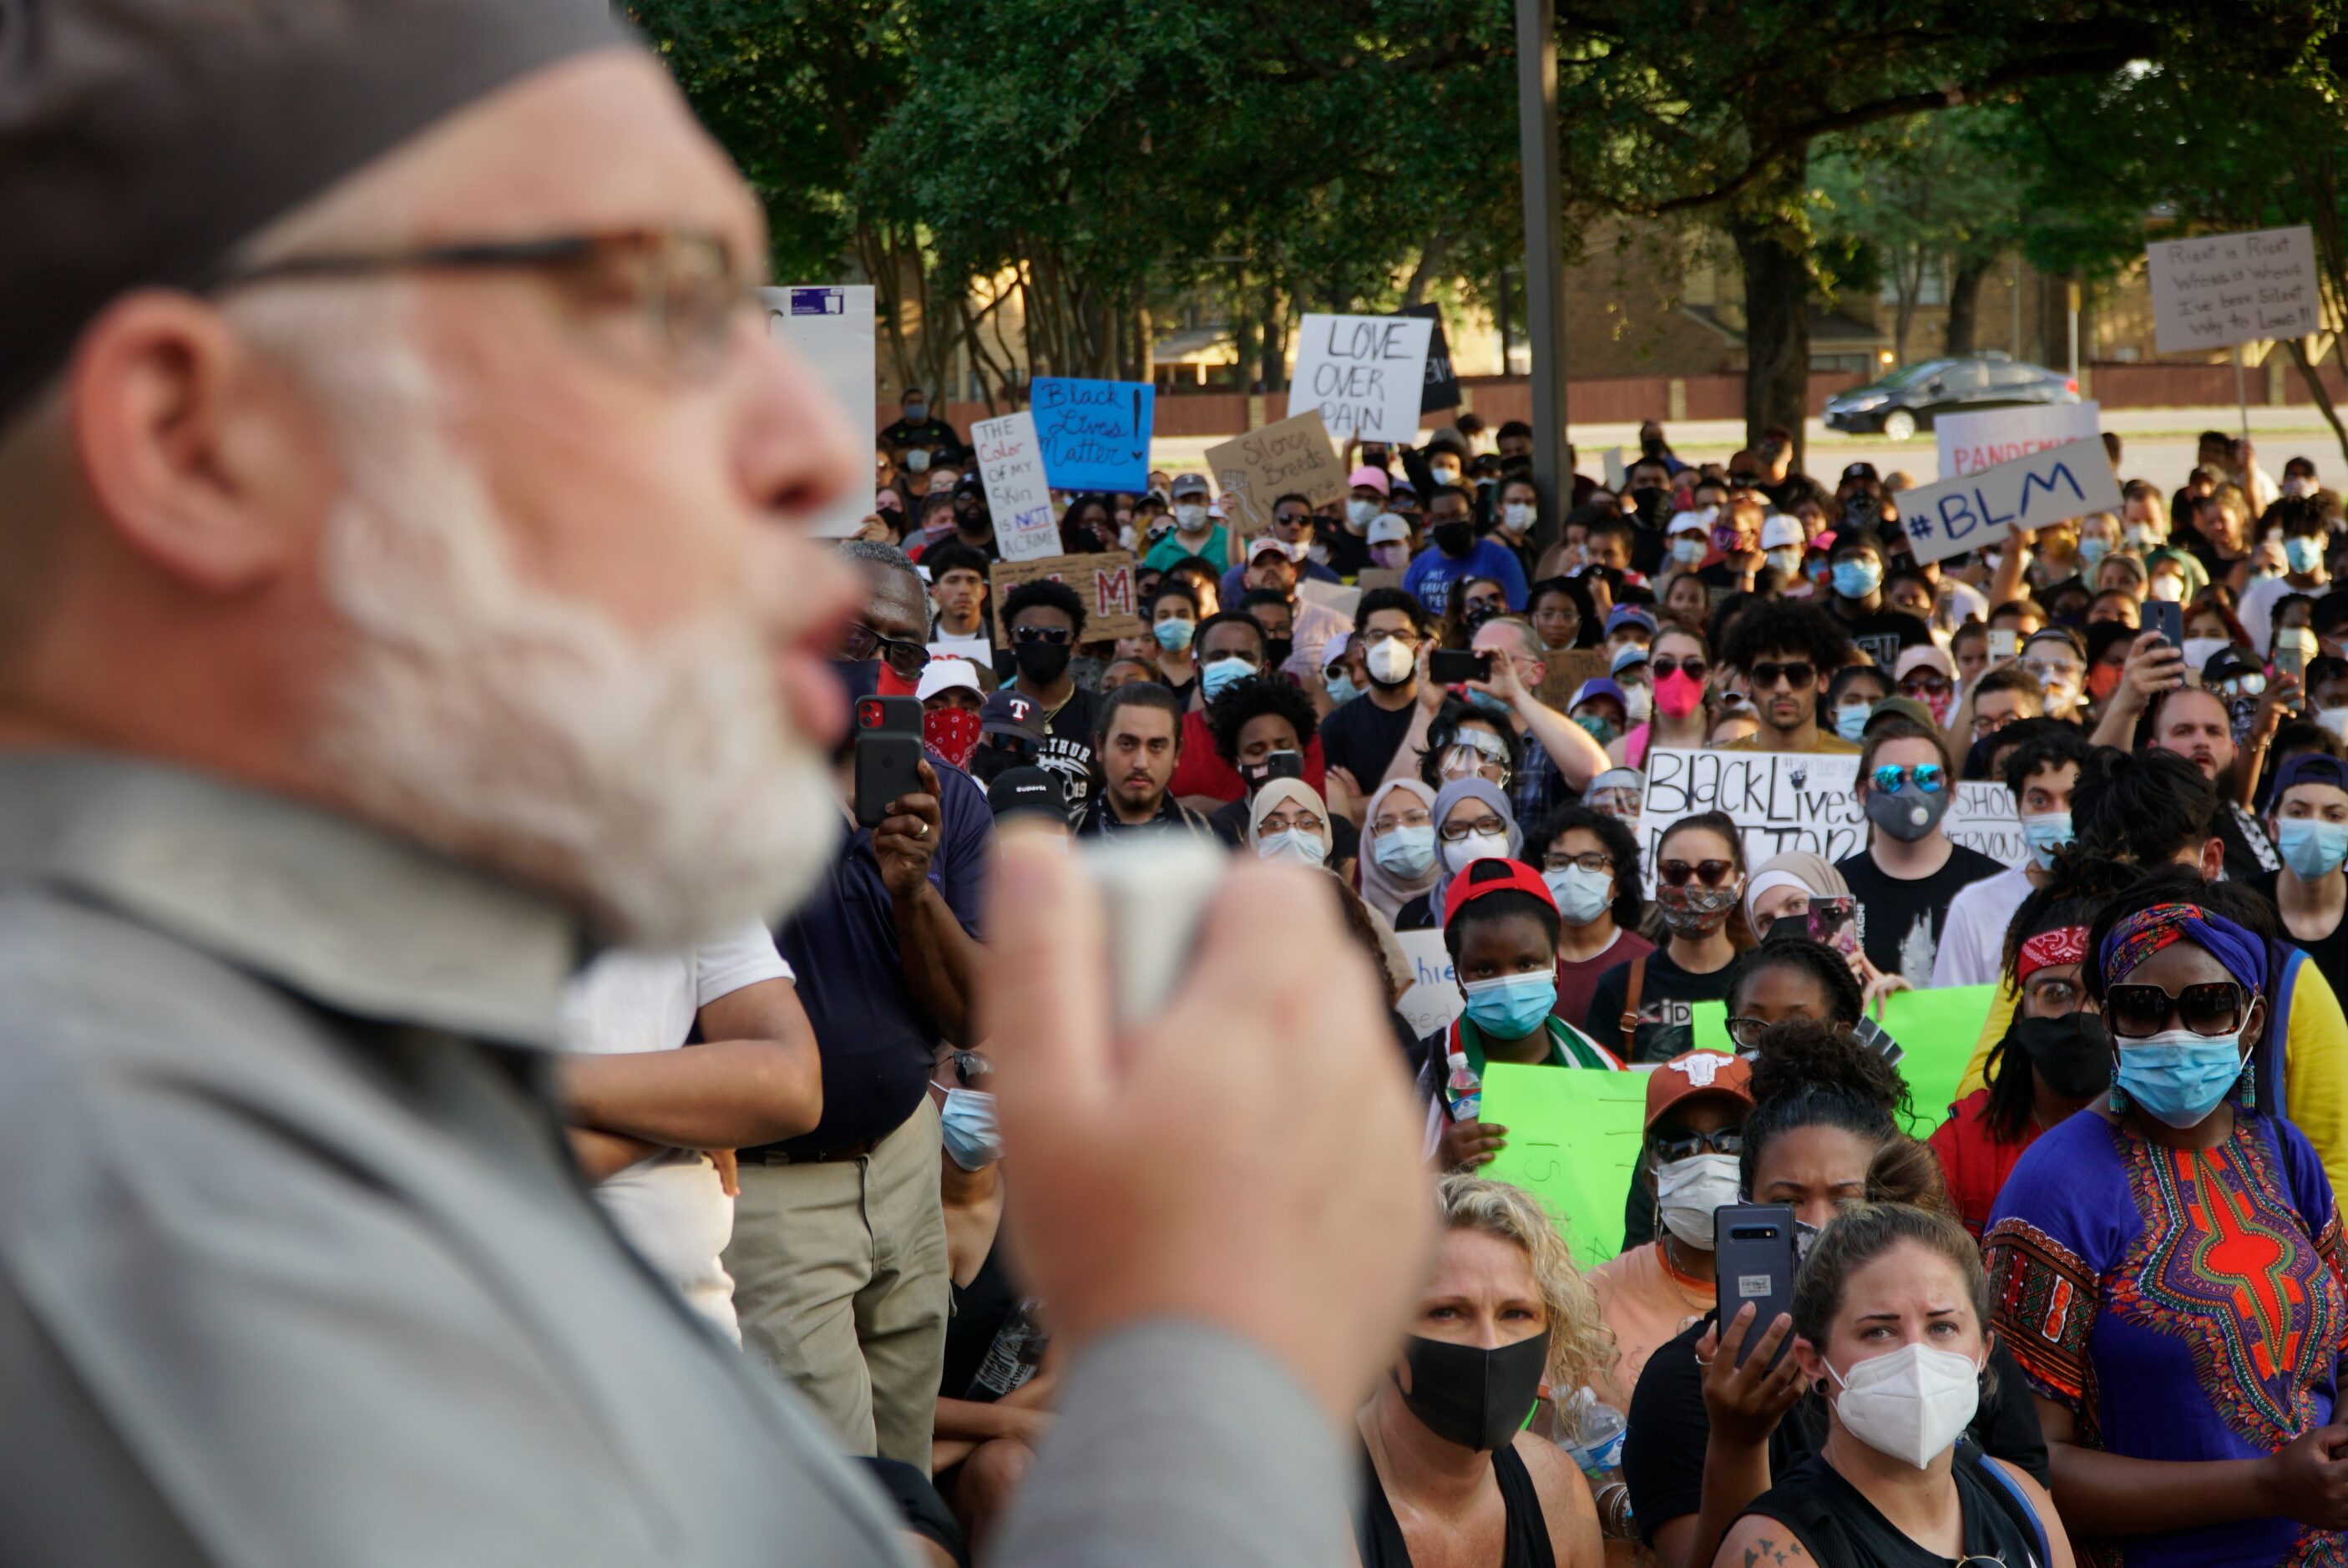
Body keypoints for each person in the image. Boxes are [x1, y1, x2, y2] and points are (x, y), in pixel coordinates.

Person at [0, 6, 1437, 1561]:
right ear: (196, 441)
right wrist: (1212, 1357)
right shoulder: (141, 1213)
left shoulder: (318, 1065)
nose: (784, 445)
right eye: (652, 318)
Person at [1985, 873, 2348, 1568]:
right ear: (2108, 1018)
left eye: (2209, 1006)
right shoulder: (2055, 1186)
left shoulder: (2284, 1153)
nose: (2175, 1034)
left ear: (2254, 1020)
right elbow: (2025, 1467)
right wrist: (2269, 1485)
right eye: (2144, 1008)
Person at [727, 543, 989, 1471]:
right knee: (833, 1494)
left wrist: (913, 891)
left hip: (904, 1169)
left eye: (906, 650)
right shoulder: (722, 785)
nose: (880, 663)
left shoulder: (945, 799)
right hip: (773, 1192)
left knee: (903, 1474)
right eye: (850, 635)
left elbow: (973, 1017)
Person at [1622, 1027, 2050, 1568]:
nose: (1819, 1224)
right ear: (1745, 1206)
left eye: (1846, 1200)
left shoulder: (1958, 1358)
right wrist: (1738, 1442)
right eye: (1788, 1199)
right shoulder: (1687, 1380)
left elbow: (2030, 1519)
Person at [1716, 1204, 2072, 1568]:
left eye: (1942, 1327)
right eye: (1879, 1332)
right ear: (1812, 1362)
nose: (1916, 1357)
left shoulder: (2020, 1501)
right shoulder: (1777, 1552)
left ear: (1984, 1351)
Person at [561, 921, 823, 1342]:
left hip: (693, 1327)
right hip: (531, 1329)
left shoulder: (689, 861)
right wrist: (688, 1101)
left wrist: (535, 1079)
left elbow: (793, 1086)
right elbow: (493, 1157)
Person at [1357, 1175, 1609, 1568]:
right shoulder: (1304, 1515)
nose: (1490, 1345)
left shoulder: (1554, 1490)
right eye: (1448, 1312)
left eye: (1515, 1313)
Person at [1928, 861, 2130, 1237]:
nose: (2080, 1014)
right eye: (2055, 994)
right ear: (2020, 1012)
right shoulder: (1961, 1148)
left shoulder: (2163, 1137)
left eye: (2101, 994)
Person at [1422, 857, 1625, 1173]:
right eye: (1485, 969)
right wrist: (1437, 1168)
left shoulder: (1608, 1077)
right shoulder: (1413, 1079)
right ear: (1458, 975)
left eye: (1527, 964)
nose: (1507, 982)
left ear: (1555, 963)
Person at [1589, 1053, 1757, 1412]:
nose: (1709, 1160)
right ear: (1652, 1180)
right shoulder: (1594, 1297)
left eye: (1733, 1139)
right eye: (1680, 1145)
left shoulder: (1807, 1289)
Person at [1834, 719, 2002, 987]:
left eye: (1928, 777)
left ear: (1951, 790)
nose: (1910, 790)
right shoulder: (1835, 889)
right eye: (1890, 778)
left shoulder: (1994, 884)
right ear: (1863, 793)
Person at [1931, 729, 2093, 989]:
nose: (2058, 814)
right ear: (2019, 808)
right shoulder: (1973, 908)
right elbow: (1952, 1011)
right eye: (2039, 800)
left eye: (2071, 799)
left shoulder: (2119, 900)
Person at [1586, 812, 1747, 1062]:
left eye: (1712, 870)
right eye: (1676, 871)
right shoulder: (1619, 986)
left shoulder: (1762, 982)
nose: (1693, 884)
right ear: (1658, 878)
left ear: (1739, 884)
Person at [1530, 803, 1656, 1031]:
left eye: (1590, 862)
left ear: (1618, 881)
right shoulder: (1520, 961)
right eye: (1558, 863)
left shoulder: (1647, 963)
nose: (1572, 874)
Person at [1322, 589, 1437, 806]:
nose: (1389, 646)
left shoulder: (1446, 718)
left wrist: (1364, 804)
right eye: (1378, 636)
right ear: (1362, 649)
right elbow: (1339, 817)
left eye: (1401, 635)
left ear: (1419, 647)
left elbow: (1448, 806)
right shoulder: (1337, 727)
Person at [999, 578, 1102, 816]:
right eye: (1028, 634)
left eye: (1056, 635)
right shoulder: (989, 716)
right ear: (1010, 643)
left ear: (1075, 645)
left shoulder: (1103, 714)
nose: (1041, 642)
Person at [2254, 751, 2348, 1007]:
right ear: (2273, 826)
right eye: (2298, 813)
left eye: (2334, 816)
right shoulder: (2243, 908)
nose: (2315, 827)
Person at [1074, 683, 1216, 837]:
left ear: (1176, 753)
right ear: (1100, 747)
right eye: (1127, 745)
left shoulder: (1204, 840)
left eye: (1156, 747)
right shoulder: (1066, 837)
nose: (1141, 763)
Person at [1719, 602, 1859, 754]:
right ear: (1746, 681)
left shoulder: (1855, 763)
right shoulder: (1722, 764)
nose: (1782, 688)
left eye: (1798, 674)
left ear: (1823, 680)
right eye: (1767, 674)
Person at [1396, 776, 1523, 932]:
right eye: (1456, 830)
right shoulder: (1418, 917)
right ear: (1439, 844)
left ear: (1510, 832)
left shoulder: (1536, 903)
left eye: (1488, 825)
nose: (1473, 838)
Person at [1404, 483, 1531, 618]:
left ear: (1472, 517)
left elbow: (1517, 616)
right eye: (1440, 518)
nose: (1449, 523)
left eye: (1456, 516)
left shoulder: (1501, 559)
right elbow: (1410, 617)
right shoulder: (1419, 566)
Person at [1362, 779, 1442, 922]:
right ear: (1370, 838)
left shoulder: (1472, 908)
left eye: (1414, 819)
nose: (1401, 833)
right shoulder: (1354, 921)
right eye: (1387, 825)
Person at [923, 540, 994, 664]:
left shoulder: (1004, 644)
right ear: (935, 591)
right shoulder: (918, 643)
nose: (964, 590)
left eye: (972, 581)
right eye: (953, 581)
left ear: (983, 591)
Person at [1141, 471, 1229, 572]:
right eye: (1184, 500)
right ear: (1173, 503)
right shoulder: (1159, 553)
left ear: (1209, 502)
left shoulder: (1230, 543)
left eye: (1198, 499)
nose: (1192, 506)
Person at [1146, 579, 1202, 698]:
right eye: (1164, 616)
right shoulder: (1144, 671)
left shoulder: (1207, 670)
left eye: (1182, 615)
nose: (1173, 621)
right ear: (1153, 624)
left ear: (1196, 621)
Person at [881, 385, 959, 456]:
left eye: (920, 402)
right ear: (902, 406)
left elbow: (958, 452)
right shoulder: (891, 433)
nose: (916, 405)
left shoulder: (944, 429)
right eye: (911, 402)